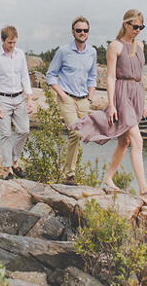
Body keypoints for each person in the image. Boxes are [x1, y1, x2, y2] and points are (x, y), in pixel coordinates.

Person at [68, 10, 147, 206]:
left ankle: (108, 178)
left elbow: (139, 76)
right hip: (122, 93)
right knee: (138, 140)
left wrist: (142, 104)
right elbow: (110, 77)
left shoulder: (141, 46)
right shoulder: (115, 46)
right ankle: (144, 191)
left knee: (124, 141)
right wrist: (111, 105)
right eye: (135, 26)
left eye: (141, 27)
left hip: (136, 93)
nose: (138, 30)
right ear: (125, 24)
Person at [46, 16, 97, 186]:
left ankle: (69, 174)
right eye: (79, 30)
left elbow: (93, 77)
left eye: (85, 30)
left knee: (79, 136)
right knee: (75, 132)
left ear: (88, 33)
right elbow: (50, 75)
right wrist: (61, 94)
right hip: (66, 97)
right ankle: (69, 175)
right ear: (73, 31)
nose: (82, 33)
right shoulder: (63, 51)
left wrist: (90, 98)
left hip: (84, 100)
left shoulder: (92, 52)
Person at [0, 25, 34, 180]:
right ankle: (8, 169)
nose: (12, 46)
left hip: (19, 97)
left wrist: (29, 98)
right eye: (9, 43)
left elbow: (25, 77)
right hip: (2, 99)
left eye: (14, 42)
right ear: (2, 40)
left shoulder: (20, 54)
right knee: (6, 133)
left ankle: (15, 161)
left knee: (24, 130)